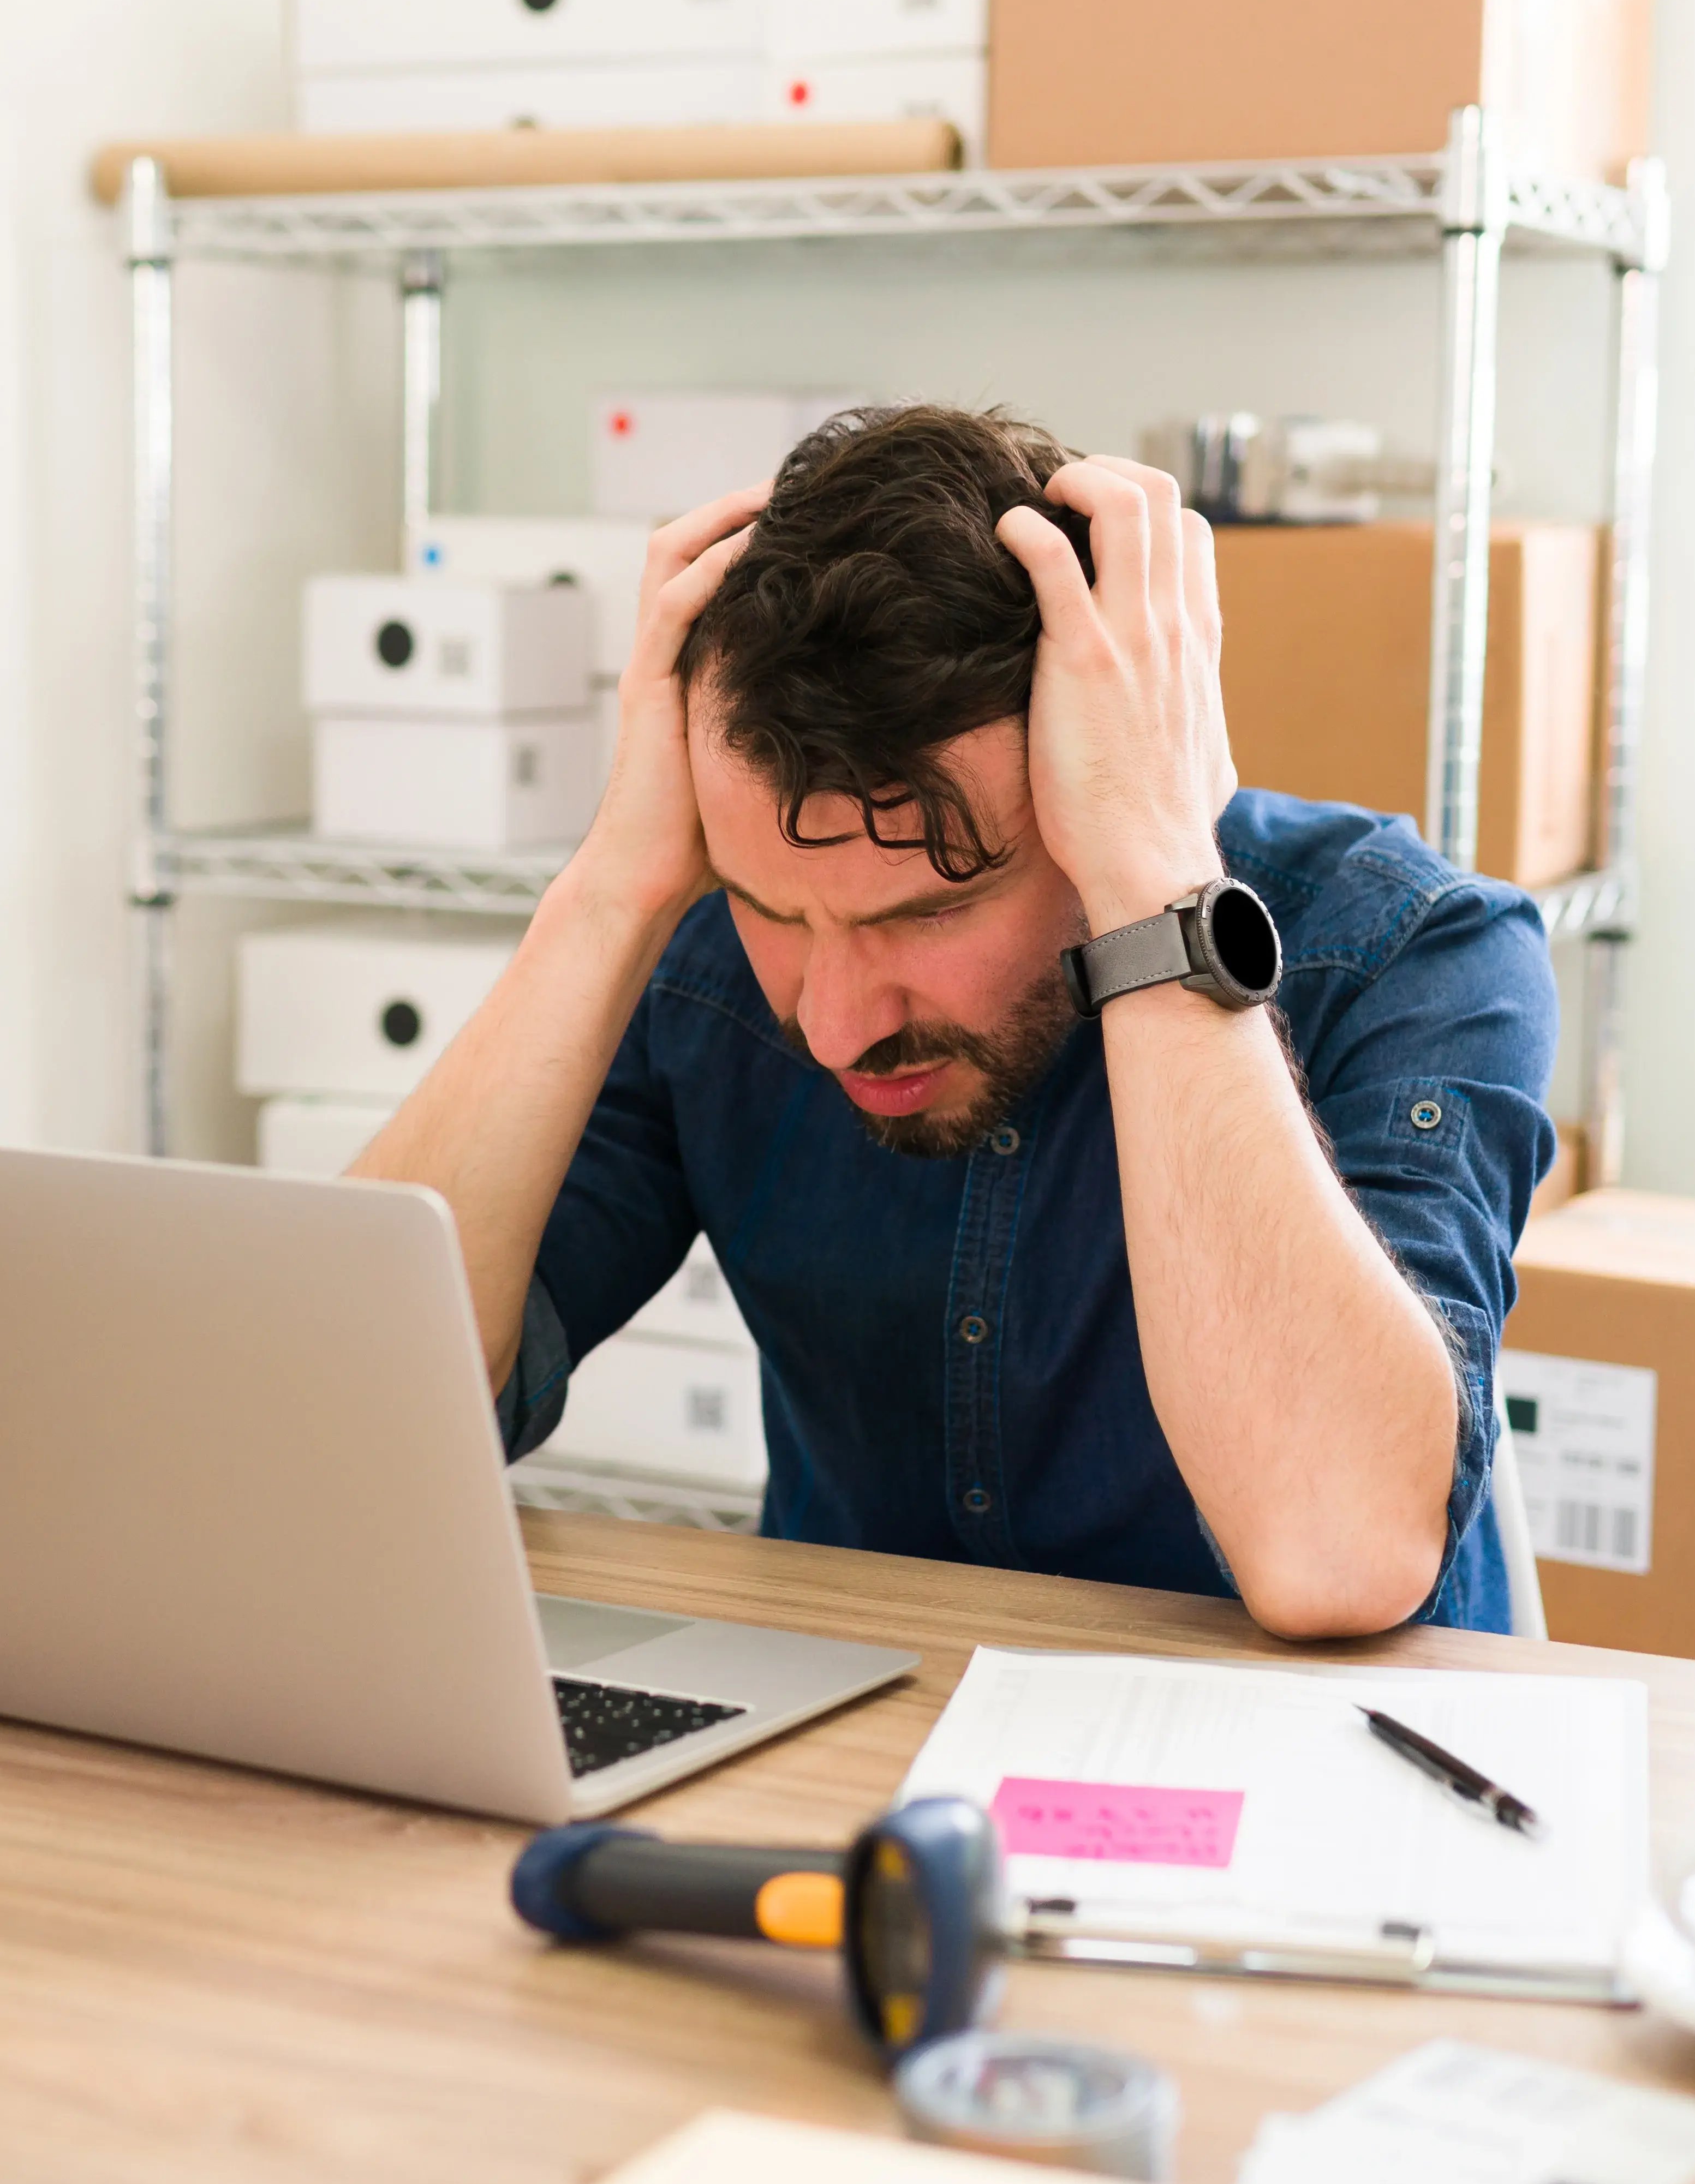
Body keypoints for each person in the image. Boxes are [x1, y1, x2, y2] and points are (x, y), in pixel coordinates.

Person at [350, 403, 1560, 1638]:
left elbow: (1334, 1550)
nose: (831, 1025)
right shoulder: (709, 972)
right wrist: (614, 887)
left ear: (1105, 777)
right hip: (858, 1775)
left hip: (1314, 1791)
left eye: (927, 914)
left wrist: (1152, 891)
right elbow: (354, 1440)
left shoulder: (1415, 952)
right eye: (772, 907)